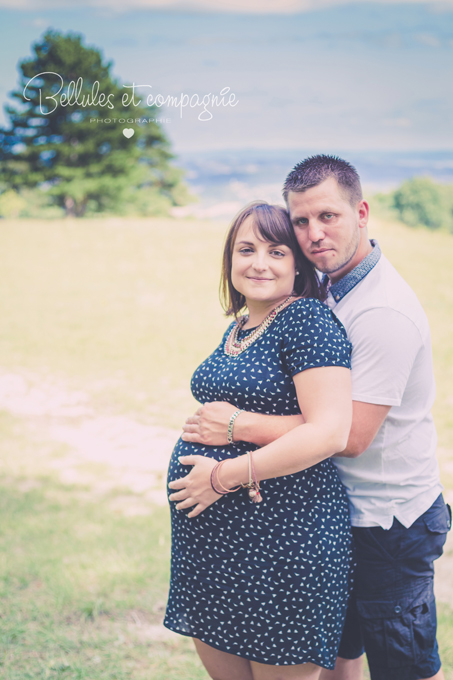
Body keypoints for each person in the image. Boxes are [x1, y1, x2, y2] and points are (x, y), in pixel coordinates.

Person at [180, 156, 452, 680]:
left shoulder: (382, 311)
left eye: (327, 216)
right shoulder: (324, 287)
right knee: (338, 660)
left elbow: (344, 434)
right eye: (300, 221)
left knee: (406, 669)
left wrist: (236, 426)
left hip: (385, 521)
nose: (313, 234)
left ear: (362, 212)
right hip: (330, 512)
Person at [165, 202, 355, 680]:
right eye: (246, 249)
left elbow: (330, 430)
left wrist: (222, 475)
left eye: (277, 251)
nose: (259, 263)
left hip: (282, 543)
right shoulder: (243, 324)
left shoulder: (304, 320)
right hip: (217, 544)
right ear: (230, 259)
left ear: (298, 264)